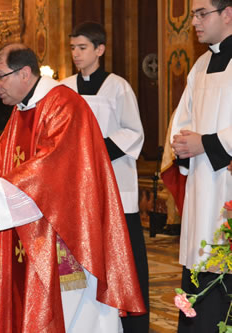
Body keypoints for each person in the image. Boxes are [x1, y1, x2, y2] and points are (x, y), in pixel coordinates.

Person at [0, 44, 145, 332]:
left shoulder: (63, 105)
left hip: (67, 237)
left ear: (24, 73)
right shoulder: (23, 111)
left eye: (0, 77)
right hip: (34, 235)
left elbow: (51, 171)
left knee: (76, 315)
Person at [61, 22, 148, 333]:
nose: (76, 54)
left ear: (100, 49)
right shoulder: (65, 87)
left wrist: (94, 151)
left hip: (115, 185)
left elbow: (134, 132)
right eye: (72, 48)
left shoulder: (118, 87)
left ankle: (131, 322)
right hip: (76, 188)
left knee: (122, 258)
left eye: (82, 48)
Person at [170, 1, 232, 331]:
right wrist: (182, 144)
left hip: (227, 184)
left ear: (228, 13)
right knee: (201, 268)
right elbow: (183, 117)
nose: (193, 21)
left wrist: (206, 144)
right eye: (193, 14)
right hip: (201, 184)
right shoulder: (200, 65)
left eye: (201, 13)